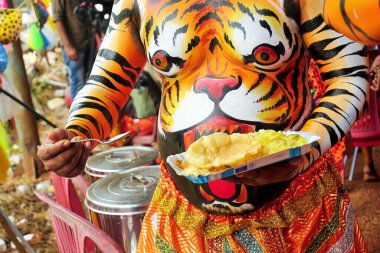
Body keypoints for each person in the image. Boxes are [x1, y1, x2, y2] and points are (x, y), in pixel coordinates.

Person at [38, 0, 370, 251]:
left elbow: (348, 77)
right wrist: (78, 131)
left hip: (300, 217)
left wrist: (307, 150)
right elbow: (106, 82)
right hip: (183, 222)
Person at [51, 0, 96, 100]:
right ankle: (79, 115)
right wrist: (68, 47)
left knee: (91, 82)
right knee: (78, 83)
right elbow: (58, 19)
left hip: (88, 42)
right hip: (74, 46)